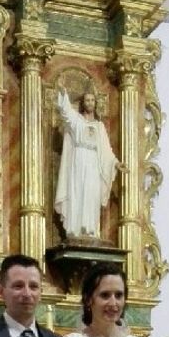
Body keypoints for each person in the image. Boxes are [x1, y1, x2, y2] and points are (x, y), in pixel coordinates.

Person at [54, 87, 127, 238]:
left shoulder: (99, 127)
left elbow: (107, 150)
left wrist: (116, 163)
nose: (90, 103)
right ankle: (75, 229)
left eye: (92, 100)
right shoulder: (77, 120)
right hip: (78, 162)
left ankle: (90, 229)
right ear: (83, 103)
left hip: (93, 163)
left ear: (95, 103)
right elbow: (66, 113)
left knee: (91, 194)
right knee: (77, 192)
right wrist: (63, 94)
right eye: (87, 100)